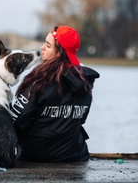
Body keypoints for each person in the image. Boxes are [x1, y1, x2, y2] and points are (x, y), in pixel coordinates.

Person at [11, 25, 100, 162]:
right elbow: (81, 119)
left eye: (48, 45)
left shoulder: (38, 81)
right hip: (74, 155)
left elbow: (16, 121)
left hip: (36, 156)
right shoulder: (85, 82)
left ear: (60, 53)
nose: (42, 48)